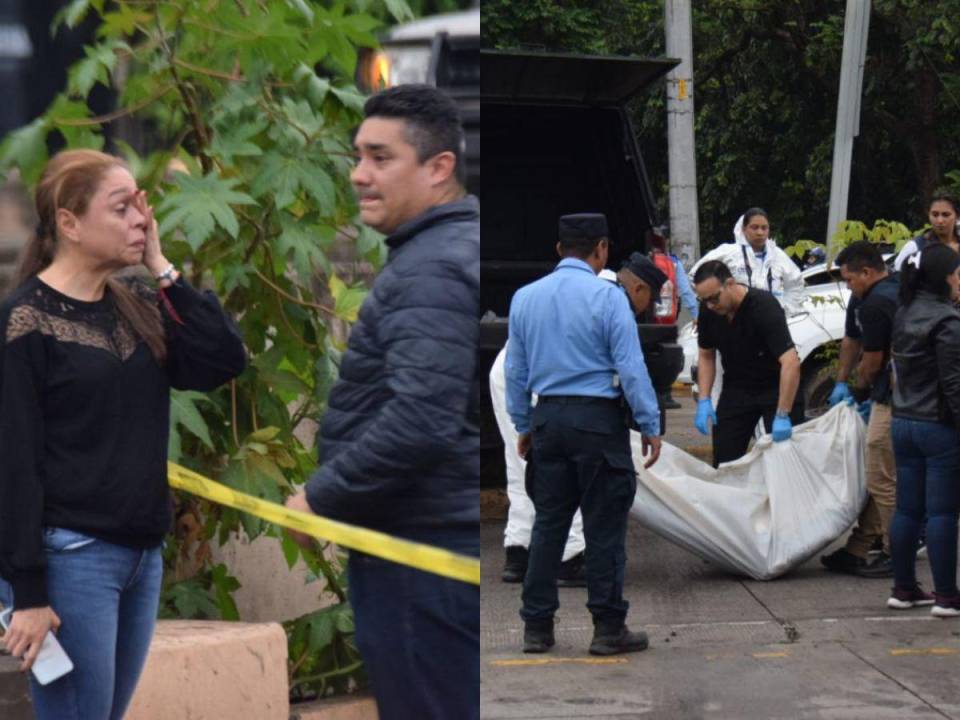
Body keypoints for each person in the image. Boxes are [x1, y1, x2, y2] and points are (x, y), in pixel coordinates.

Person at [0, 149, 246, 719]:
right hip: (71, 559)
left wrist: (163, 269)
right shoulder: (24, 321)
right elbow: (13, 463)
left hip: (141, 556)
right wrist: (29, 594)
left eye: (141, 206)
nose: (141, 218)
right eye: (122, 208)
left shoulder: (134, 307)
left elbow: (223, 359)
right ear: (69, 223)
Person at [283, 85, 480, 719]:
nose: (358, 174)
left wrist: (321, 496)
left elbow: (421, 419)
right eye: (357, 156)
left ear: (438, 167)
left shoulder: (431, 270)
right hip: (429, 550)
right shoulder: (443, 251)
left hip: (423, 562)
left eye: (379, 157)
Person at [505, 213, 662, 656]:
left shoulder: (524, 298)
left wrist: (523, 425)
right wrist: (650, 424)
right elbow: (631, 369)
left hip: (548, 421)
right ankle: (608, 629)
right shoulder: (608, 298)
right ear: (602, 249)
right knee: (604, 529)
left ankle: (537, 629)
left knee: (549, 527)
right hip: (597, 424)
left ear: (559, 250)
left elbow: (516, 372)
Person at [886, 243, 960, 617]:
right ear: (946, 278)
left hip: (903, 422)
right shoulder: (948, 321)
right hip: (938, 428)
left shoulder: (903, 312)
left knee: (907, 510)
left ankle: (904, 588)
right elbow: (953, 384)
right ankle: (947, 596)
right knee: (943, 514)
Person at [821, 241, 899, 578]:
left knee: (882, 479)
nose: (847, 287)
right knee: (878, 475)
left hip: (895, 397)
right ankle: (858, 547)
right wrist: (842, 381)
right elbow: (852, 340)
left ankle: (896, 552)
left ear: (867, 272)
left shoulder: (879, 302)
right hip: (895, 396)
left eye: (850, 280)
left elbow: (873, 359)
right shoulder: (874, 294)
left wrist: (860, 389)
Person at [491, 345, 586, 586]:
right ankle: (570, 554)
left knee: (520, 463)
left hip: (510, 365)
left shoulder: (527, 304)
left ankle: (518, 551)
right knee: (565, 464)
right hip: (546, 368)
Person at [692, 260, 803, 466]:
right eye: (704, 300)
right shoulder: (709, 310)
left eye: (714, 298)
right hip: (738, 386)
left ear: (730, 284)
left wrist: (783, 413)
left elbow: (790, 362)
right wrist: (704, 398)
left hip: (776, 386)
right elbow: (706, 355)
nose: (710, 305)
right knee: (725, 459)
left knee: (784, 461)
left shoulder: (763, 306)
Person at [689, 208, 805, 316]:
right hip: (736, 322)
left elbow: (796, 283)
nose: (760, 232)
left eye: (764, 228)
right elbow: (694, 275)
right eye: (754, 227)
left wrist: (785, 310)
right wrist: (717, 302)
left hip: (770, 321)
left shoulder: (777, 255)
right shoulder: (729, 252)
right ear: (744, 229)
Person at [893, 190, 960, 272]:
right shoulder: (914, 247)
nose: (940, 220)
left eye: (945, 215)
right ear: (928, 215)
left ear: (957, 216)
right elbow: (896, 280)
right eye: (935, 215)